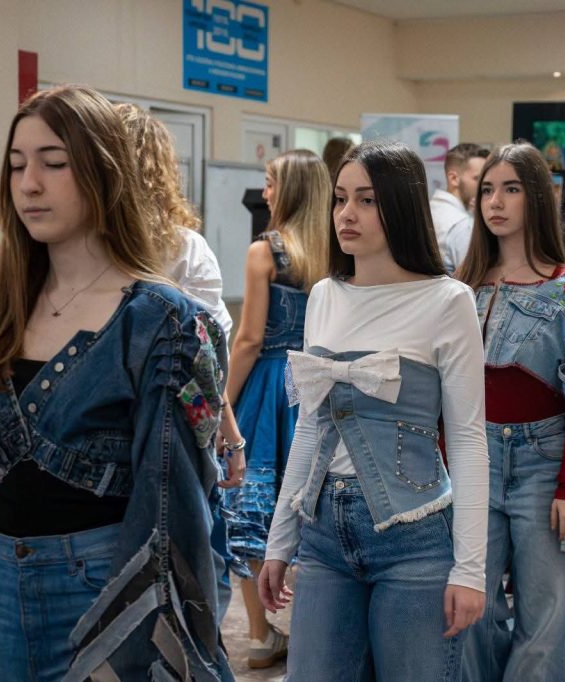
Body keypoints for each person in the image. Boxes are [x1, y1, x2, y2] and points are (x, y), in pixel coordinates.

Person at [0, 85, 230, 681]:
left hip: (108, 598)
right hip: (2, 596)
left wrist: (143, 644)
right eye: (17, 165)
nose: (29, 184)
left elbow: (176, 510)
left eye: (53, 163)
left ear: (103, 172)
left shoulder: (168, 324)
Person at [257, 141, 488, 681]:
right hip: (321, 537)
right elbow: (310, 428)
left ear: (401, 206)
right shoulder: (323, 295)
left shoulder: (448, 300)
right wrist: (279, 540)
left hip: (415, 538)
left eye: (366, 200)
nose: (346, 213)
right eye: (340, 199)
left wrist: (471, 569)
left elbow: (467, 439)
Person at [457, 142, 565, 682]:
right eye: (488, 189)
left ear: (535, 197)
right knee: (468, 610)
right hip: (473, 459)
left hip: (545, 462)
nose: (495, 202)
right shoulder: (461, 285)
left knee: (547, 621)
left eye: (511, 189)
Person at [117, 102, 245, 628]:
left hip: (97, 428)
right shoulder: (186, 248)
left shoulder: (80, 250)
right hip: (174, 430)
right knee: (196, 558)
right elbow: (207, 362)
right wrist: (231, 437)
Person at [224, 148, 331, 668]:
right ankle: (314, 634)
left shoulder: (264, 251)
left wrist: (221, 401)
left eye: (270, 182)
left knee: (251, 509)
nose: (264, 192)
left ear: (290, 190)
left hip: (268, 388)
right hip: (319, 386)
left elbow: (248, 340)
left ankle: (260, 634)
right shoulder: (339, 252)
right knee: (316, 513)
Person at [430, 143, 490, 273]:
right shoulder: (462, 225)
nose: (484, 185)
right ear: (453, 178)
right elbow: (474, 279)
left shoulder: (428, 209)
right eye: (478, 178)